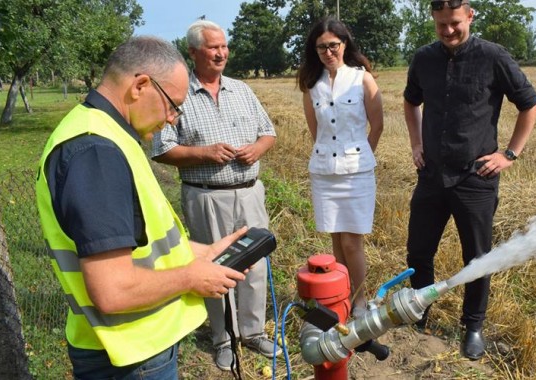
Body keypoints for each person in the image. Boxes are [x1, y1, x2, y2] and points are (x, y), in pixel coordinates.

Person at [35, 36, 248, 379]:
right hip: (130, 357)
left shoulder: (109, 134)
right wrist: (192, 277)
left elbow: (142, 244)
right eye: (173, 105)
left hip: (137, 348)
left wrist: (203, 254)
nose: (173, 119)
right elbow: (112, 291)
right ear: (140, 86)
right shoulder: (96, 153)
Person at [403, 0, 536, 361]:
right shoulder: (423, 59)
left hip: (476, 177)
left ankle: (473, 326)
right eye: (440, 25)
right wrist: (416, 143)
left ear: (470, 16)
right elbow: (410, 101)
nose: (448, 31)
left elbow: (531, 103)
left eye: (454, 23)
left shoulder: (494, 57)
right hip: (431, 175)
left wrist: (509, 154)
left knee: (478, 258)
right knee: (419, 251)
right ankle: (418, 311)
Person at [150, 20, 279, 370]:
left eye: (224, 46)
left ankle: (252, 333)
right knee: (214, 266)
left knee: (254, 262)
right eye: (212, 47)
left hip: (250, 193)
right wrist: (204, 153)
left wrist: (257, 149)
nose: (221, 53)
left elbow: (268, 132)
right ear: (193, 52)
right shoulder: (179, 94)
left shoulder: (241, 89)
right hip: (206, 196)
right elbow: (161, 149)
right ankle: (224, 338)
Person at [296, 16, 384, 317]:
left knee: (351, 241)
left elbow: (377, 125)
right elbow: (315, 131)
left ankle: (360, 301)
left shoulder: (362, 79)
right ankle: (340, 297)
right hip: (325, 173)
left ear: (344, 44)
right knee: (335, 240)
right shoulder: (312, 85)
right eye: (321, 47)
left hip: (357, 173)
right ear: (315, 50)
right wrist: (332, 157)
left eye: (333, 45)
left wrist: (358, 159)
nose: (328, 51)